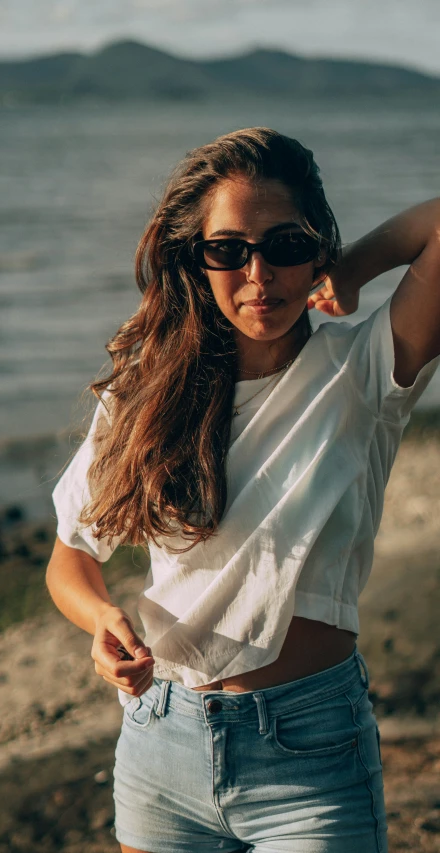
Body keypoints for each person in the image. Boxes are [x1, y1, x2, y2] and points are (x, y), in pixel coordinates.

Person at [46, 127, 440, 853]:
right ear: (197, 260)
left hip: (312, 755)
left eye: (285, 246)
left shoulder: (361, 376)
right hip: (160, 744)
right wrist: (101, 620)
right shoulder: (145, 394)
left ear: (317, 245)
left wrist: (351, 271)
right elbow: (70, 557)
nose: (259, 276)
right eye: (229, 250)